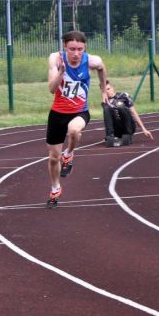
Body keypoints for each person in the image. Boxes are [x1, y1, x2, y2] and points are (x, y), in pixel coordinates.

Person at [46, 30, 107, 203]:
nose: (76, 53)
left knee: (74, 130)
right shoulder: (55, 59)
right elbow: (51, 89)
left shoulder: (92, 60)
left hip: (80, 111)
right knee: (53, 158)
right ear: (65, 47)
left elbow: (102, 68)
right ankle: (55, 187)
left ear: (84, 47)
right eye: (72, 49)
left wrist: (103, 89)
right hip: (57, 113)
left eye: (80, 49)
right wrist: (61, 73)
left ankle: (69, 153)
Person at [102, 80, 153, 146]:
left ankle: (128, 134)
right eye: (104, 91)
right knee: (106, 109)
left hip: (129, 125)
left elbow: (134, 113)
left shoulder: (124, 96)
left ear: (113, 87)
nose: (107, 92)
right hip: (117, 129)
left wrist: (144, 129)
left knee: (121, 107)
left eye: (108, 89)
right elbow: (108, 118)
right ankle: (110, 135)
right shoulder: (105, 101)